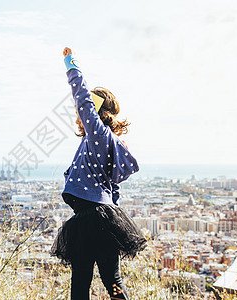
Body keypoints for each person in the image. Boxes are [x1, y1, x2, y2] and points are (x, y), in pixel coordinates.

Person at [51, 47, 147, 300]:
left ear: (99, 112)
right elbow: (112, 188)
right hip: (103, 218)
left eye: (86, 111)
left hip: (89, 219)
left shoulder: (99, 136)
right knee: (112, 282)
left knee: (80, 283)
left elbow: (82, 98)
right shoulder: (104, 142)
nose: (79, 114)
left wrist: (71, 63)